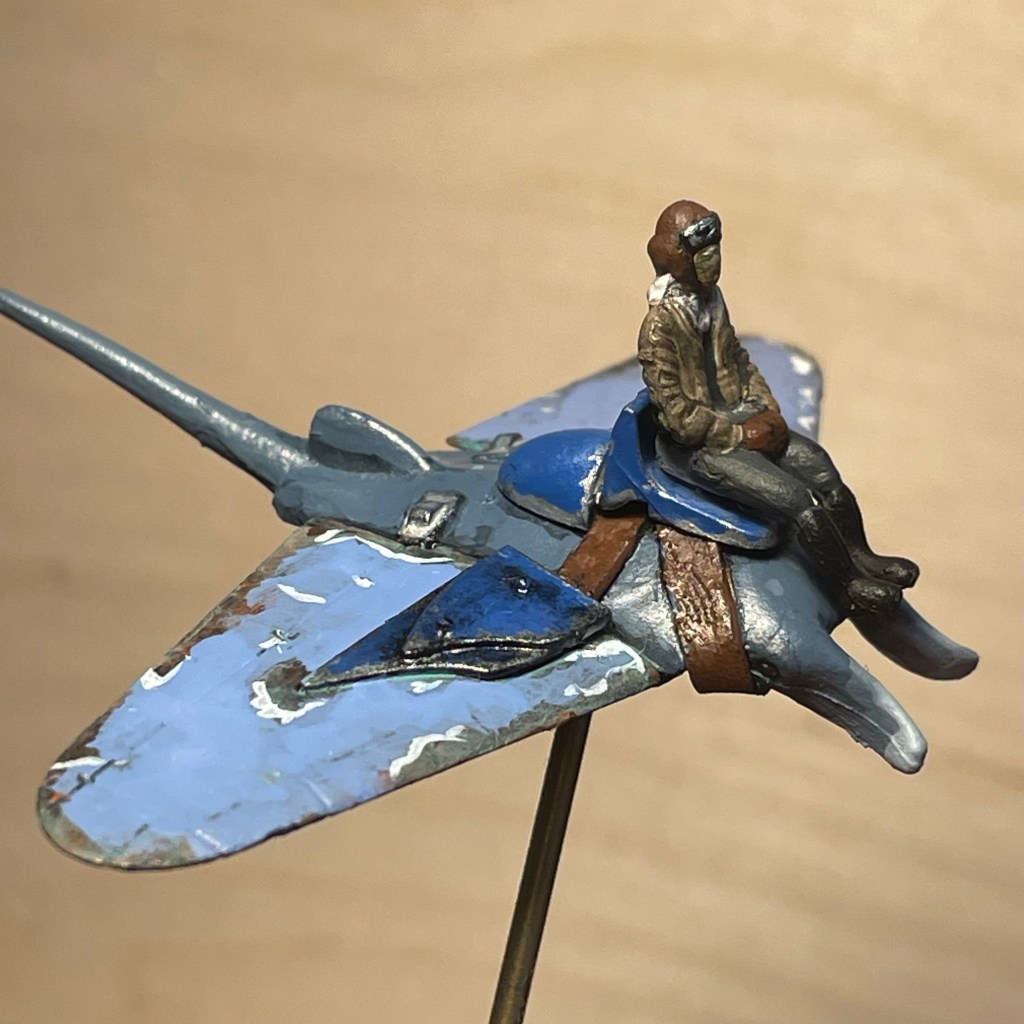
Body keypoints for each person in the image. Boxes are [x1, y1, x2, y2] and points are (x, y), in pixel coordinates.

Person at [638, 200, 918, 615]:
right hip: (697, 448)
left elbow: (738, 360)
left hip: (740, 417)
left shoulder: (712, 301)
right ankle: (848, 584)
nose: (713, 260)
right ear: (676, 257)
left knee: (823, 472)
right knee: (796, 499)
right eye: (702, 252)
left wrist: (767, 411)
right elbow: (679, 416)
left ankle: (862, 557)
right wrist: (740, 434)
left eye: (715, 249)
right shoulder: (660, 328)